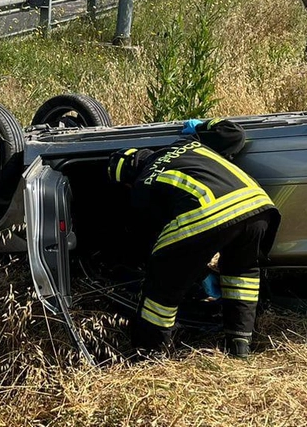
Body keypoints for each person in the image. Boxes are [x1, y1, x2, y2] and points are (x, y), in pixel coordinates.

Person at [109, 119, 280, 358]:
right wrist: (202, 126)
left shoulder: (142, 183)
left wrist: (181, 271)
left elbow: (158, 238)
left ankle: (150, 354)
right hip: (257, 205)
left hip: (210, 213)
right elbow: (234, 134)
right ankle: (240, 347)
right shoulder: (188, 143)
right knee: (241, 276)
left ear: (128, 179)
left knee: (161, 288)